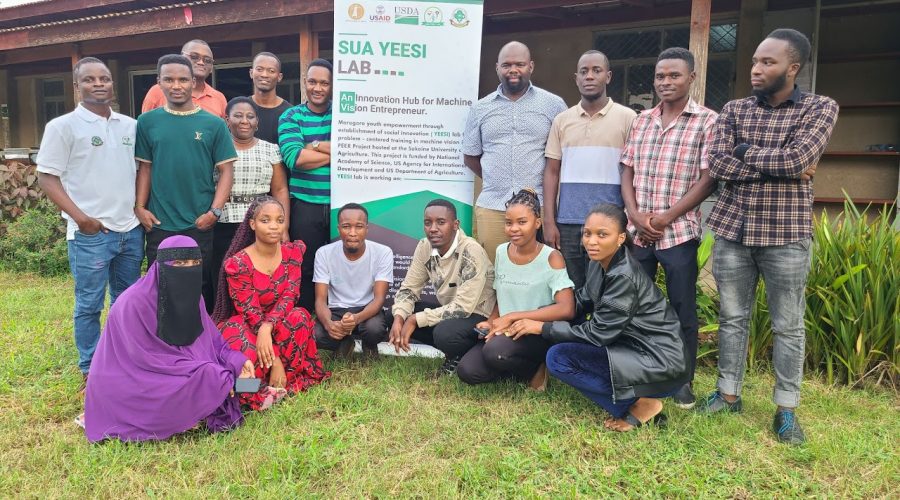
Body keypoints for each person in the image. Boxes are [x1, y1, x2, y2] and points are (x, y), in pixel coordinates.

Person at [697, 29, 838, 445]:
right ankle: (727, 393)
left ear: (792, 68)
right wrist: (777, 165)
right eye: (755, 61)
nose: (756, 69)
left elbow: (800, 158)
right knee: (732, 318)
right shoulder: (734, 109)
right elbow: (718, 164)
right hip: (733, 231)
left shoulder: (819, 108)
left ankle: (786, 410)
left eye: (767, 63)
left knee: (788, 325)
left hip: (785, 234)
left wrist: (746, 152)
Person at [525, 204, 688, 432]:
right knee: (565, 334)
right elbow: (580, 300)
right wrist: (535, 314)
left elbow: (598, 333)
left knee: (559, 359)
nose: (592, 241)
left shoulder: (624, 276)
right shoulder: (599, 262)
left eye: (602, 235)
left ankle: (640, 404)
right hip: (632, 348)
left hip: (658, 362)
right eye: (588, 233)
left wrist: (542, 327)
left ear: (621, 237)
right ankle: (637, 401)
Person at [620, 47, 718, 410]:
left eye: (674, 75)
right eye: (660, 76)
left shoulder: (708, 121)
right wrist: (635, 214)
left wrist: (665, 218)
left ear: (691, 78)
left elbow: (709, 179)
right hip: (639, 231)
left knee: (681, 307)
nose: (666, 82)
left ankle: (681, 380)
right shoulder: (642, 120)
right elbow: (626, 169)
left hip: (678, 233)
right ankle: (642, 372)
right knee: (637, 305)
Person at [36, 57, 144, 387]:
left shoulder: (130, 125)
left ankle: (125, 358)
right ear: (77, 86)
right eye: (90, 80)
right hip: (91, 235)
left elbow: (141, 170)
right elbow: (46, 177)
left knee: (126, 302)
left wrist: (138, 210)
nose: (99, 84)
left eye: (105, 79)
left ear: (113, 84)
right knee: (89, 304)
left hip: (129, 230)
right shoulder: (63, 127)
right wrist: (81, 219)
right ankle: (91, 366)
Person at [83, 236, 254, 442]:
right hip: (137, 385)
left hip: (184, 372)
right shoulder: (132, 303)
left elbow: (212, 342)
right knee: (213, 378)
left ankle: (246, 389)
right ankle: (227, 393)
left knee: (239, 373)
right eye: (180, 263)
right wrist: (205, 371)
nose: (188, 270)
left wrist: (238, 360)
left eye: (194, 263)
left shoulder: (192, 297)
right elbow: (143, 359)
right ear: (160, 266)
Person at [134, 54, 236, 311]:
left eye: (182, 79)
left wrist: (214, 211)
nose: (176, 85)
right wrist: (140, 207)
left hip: (199, 221)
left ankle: (196, 342)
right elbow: (145, 167)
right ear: (159, 82)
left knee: (198, 284)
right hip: (159, 221)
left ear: (194, 82)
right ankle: (163, 342)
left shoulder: (214, 124)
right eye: (168, 79)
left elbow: (226, 171)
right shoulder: (147, 122)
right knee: (160, 284)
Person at [211, 197, 330, 411]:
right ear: (252, 224)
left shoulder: (293, 253)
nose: (274, 226)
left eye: (279, 220)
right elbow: (249, 310)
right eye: (266, 220)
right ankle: (252, 389)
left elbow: (289, 297)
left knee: (300, 317)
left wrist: (269, 327)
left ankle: (283, 382)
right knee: (237, 338)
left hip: (278, 320)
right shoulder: (238, 263)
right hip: (249, 322)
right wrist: (274, 358)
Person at [456, 189, 574, 389]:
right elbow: (501, 296)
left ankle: (537, 367)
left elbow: (567, 309)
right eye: (509, 223)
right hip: (506, 331)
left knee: (494, 352)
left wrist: (513, 317)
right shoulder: (502, 251)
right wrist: (492, 321)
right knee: (468, 371)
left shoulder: (552, 257)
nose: (514, 229)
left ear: (537, 223)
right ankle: (513, 369)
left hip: (536, 333)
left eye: (522, 222)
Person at [462, 41, 567, 261]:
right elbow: (471, 156)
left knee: (539, 272)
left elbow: (562, 156)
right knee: (491, 272)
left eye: (519, 64)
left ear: (531, 66)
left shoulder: (553, 105)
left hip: (538, 208)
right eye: (507, 64)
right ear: (497, 68)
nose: (513, 70)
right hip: (493, 205)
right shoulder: (480, 108)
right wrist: (495, 176)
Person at [543, 50, 636, 289]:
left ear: (608, 76)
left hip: (610, 222)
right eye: (584, 72)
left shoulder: (628, 118)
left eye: (597, 70)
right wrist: (550, 221)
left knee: (609, 288)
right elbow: (552, 171)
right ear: (576, 78)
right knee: (573, 288)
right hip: (569, 222)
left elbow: (633, 172)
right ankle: (575, 328)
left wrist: (630, 218)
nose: (590, 76)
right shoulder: (562, 120)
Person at [389, 199, 496, 375]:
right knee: (393, 315)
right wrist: (400, 317)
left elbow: (463, 308)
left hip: (477, 316)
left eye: (441, 222)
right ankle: (454, 353)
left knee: (445, 333)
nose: (433, 228)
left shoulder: (471, 250)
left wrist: (415, 319)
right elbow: (409, 289)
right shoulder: (424, 245)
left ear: (455, 225)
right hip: (450, 312)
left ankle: (464, 353)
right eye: (427, 222)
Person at [210, 97, 290, 297]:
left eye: (250, 116)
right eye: (238, 116)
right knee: (224, 276)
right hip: (223, 221)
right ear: (227, 120)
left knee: (259, 277)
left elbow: (279, 190)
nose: (244, 121)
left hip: (260, 223)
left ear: (257, 122)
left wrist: (283, 227)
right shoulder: (215, 147)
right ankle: (225, 322)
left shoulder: (270, 149)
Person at [278, 58, 333, 311]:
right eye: (312, 82)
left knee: (338, 263)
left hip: (339, 205)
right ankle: (305, 317)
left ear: (332, 86)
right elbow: (295, 158)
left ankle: (334, 317)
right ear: (305, 83)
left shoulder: (344, 116)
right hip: (305, 204)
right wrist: (333, 152)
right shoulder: (291, 116)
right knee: (306, 263)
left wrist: (312, 146)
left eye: (324, 83)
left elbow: (355, 152)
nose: (318, 88)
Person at [313, 203, 393, 358]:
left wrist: (356, 319)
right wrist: (329, 325)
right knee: (316, 334)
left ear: (367, 229)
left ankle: (369, 346)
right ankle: (345, 342)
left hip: (368, 309)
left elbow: (379, 299)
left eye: (359, 226)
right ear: (338, 229)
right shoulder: (324, 253)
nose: (352, 233)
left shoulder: (383, 252)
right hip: (337, 310)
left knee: (374, 330)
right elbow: (320, 300)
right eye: (346, 226)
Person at [141, 40, 227, 118]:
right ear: (182, 58)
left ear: (212, 67)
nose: (201, 62)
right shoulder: (158, 91)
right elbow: (146, 127)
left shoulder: (219, 98)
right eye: (194, 57)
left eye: (207, 60)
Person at [249, 52, 292, 145]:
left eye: (271, 71)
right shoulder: (241, 108)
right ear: (251, 73)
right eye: (259, 69)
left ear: (279, 77)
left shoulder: (289, 113)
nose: (264, 75)